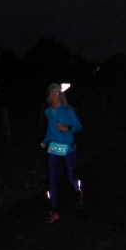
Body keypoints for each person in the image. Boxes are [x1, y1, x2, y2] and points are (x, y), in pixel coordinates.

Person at [40, 83, 83, 223]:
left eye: (56, 93)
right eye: (51, 93)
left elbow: (78, 127)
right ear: (48, 97)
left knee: (70, 174)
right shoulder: (47, 112)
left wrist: (67, 128)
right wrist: (45, 141)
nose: (54, 96)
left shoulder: (68, 110)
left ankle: (78, 193)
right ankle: (54, 210)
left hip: (68, 147)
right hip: (54, 147)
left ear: (61, 96)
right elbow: (50, 129)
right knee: (51, 177)